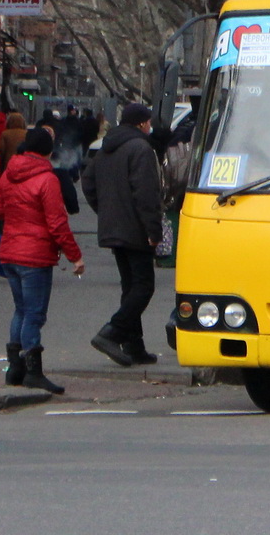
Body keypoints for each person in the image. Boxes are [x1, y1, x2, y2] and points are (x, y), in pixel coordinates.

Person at [0, 127, 85, 395]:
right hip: (34, 255)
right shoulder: (47, 179)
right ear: (47, 151)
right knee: (34, 313)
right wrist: (75, 256)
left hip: (9, 251)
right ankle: (33, 371)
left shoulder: (8, 175)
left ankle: (14, 369)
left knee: (20, 310)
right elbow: (57, 223)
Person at [81, 102, 163, 367]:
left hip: (114, 227)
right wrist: (153, 230)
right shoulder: (141, 148)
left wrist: (104, 210)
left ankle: (133, 345)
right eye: (148, 122)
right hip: (136, 229)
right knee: (144, 286)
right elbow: (146, 193)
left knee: (130, 287)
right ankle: (112, 332)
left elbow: (88, 182)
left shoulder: (106, 148)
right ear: (141, 124)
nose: (150, 127)